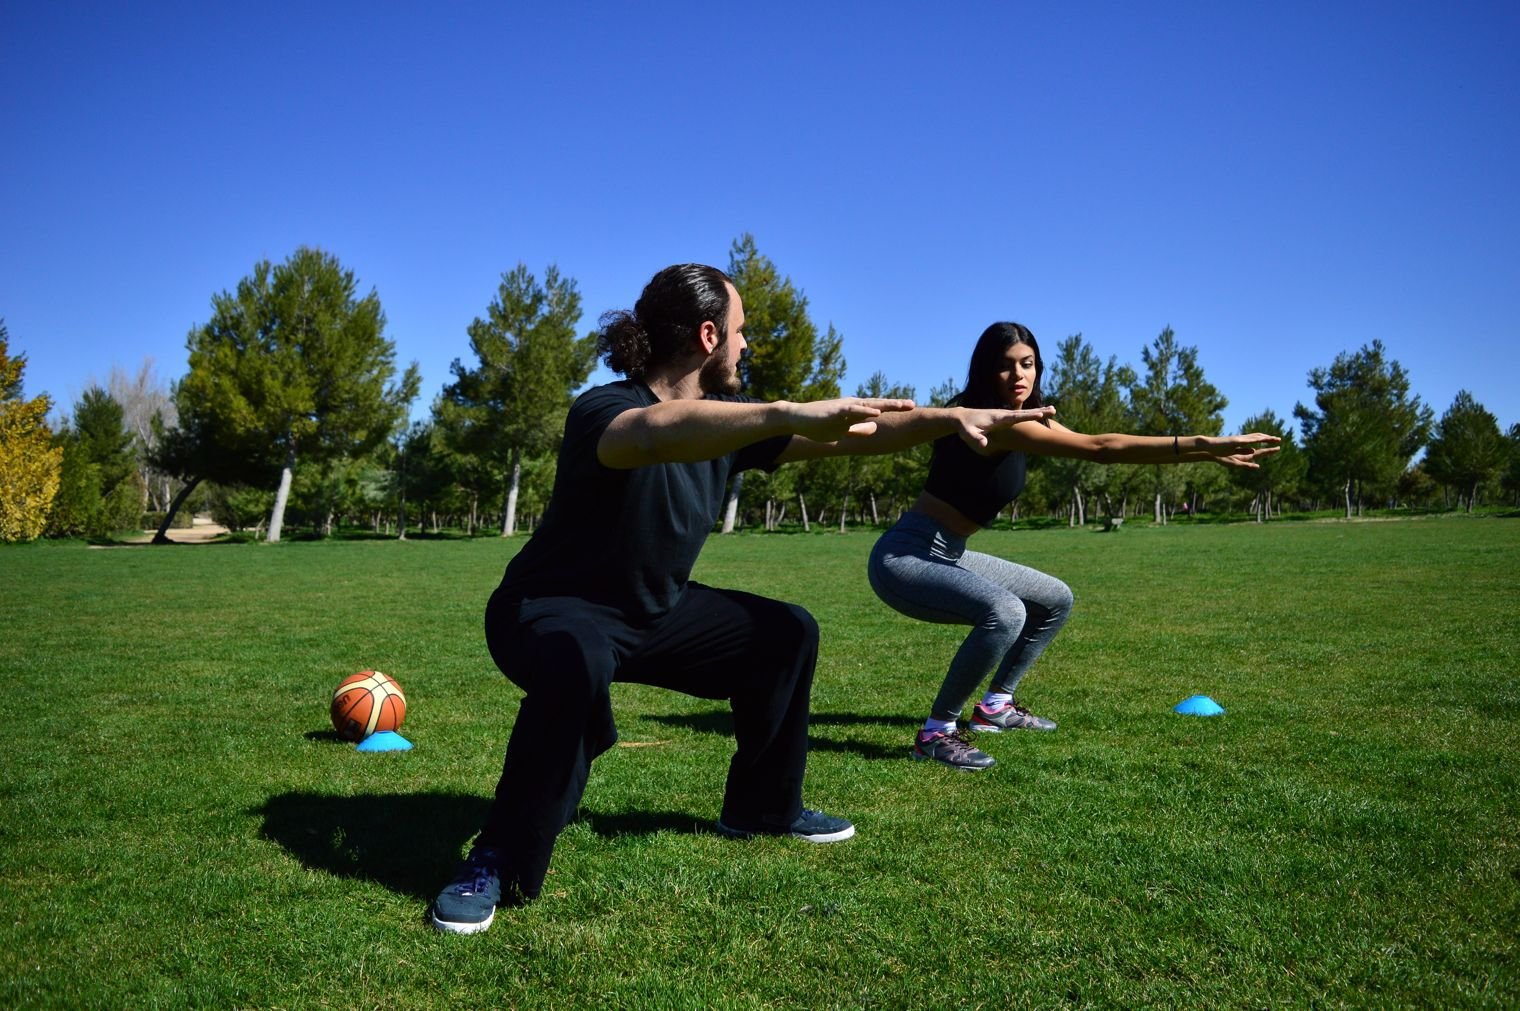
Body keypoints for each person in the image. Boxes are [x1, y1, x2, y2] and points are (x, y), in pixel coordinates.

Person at [430, 266, 1052, 934]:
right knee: (579, 663)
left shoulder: (731, 424)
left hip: (654, 612)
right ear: (707, 334)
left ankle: (762, 807)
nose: (746, 345)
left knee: (784, 632)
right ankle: (494, 856)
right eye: (741, 330)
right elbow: (654, 433)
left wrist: (951, 419)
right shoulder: (604, 410)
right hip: (550, 609)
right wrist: (786, 411)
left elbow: (855, 433)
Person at [867, 322, 1280, 771]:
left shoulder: (1025, 416)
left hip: (951, 552)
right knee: (1005, 611)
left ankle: (996, 707)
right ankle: (936, 733)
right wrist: (1203, 442)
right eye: (1004, 367)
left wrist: (1208, 453)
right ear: (985, 372)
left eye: (1027, 364)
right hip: (907, 557)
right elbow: (1100, 447)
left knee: (1054, 598)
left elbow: (1107, 444)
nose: (1018, 376)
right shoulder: (992, 421)